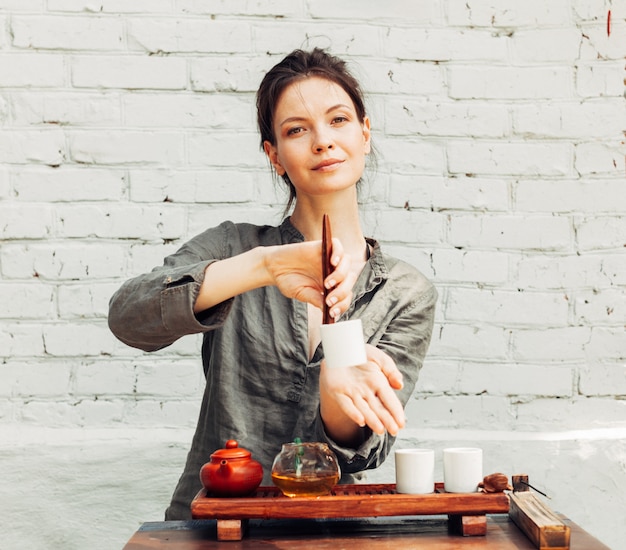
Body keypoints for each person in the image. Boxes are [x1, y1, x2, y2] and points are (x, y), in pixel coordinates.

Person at [108, 47, 437, 520]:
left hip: (331, 528)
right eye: (296, 130)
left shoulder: (407, 291)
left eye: (339, 120)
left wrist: (335, 386)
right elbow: (129, 318)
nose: (322, 141)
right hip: (214, 524)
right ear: (274, 155)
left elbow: (363, 450)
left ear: (365, 134)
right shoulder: (233, 247)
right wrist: (263, 266)